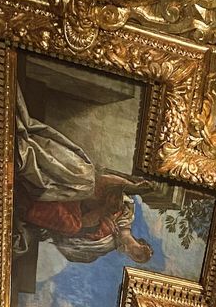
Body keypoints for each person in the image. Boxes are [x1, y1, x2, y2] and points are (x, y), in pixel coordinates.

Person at [14, 87, 154, 267]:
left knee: (71, 224)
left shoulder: (104, 244)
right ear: (141, 243)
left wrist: (100, 215)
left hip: (71, 212)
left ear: (132, 259)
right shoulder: (127, 212)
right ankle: (34, 162)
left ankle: (28, 203)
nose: (137, 253)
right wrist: (130, 186)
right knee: (85, 180)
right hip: (78, 191)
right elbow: (104, 182)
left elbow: (75, 237)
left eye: (138, 258)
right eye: (141, 251)